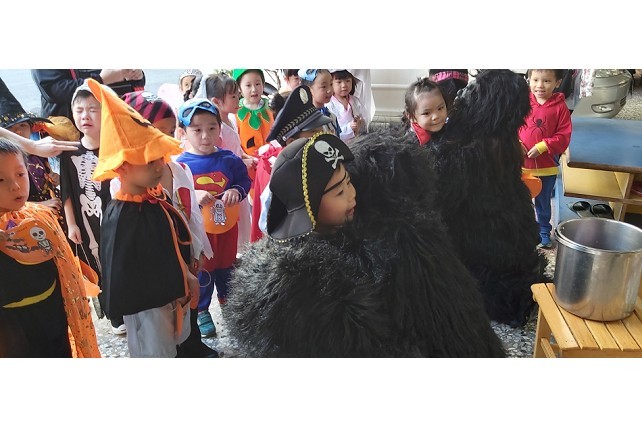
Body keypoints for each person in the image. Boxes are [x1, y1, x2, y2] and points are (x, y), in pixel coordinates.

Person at [225, 132, 505, 357]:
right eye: (338, 192)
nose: (351, 195)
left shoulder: (367, 237)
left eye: (349, 182)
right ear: (305, 208)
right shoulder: (307, 279)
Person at [84, 78, 199, 358]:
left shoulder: (155, 197)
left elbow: (170, 244)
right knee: (153, 352)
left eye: (159, 157)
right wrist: (173, 285)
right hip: (147, 305)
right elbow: (123, 271)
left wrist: (184, 276)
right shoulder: (121, 214)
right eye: (149, 160)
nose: (160, 166)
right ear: (121, 165)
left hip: (171, 298)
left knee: (169, 347)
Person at [117, 91, 218, 357]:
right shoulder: (125, 184)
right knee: (160, 327)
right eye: (155, 132)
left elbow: (192, 215)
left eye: (169, 132)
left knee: (188, 304)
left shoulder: (180, 170)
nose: (164, 140)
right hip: (155, 272)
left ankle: (191, 345)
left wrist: (199, 249)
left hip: (184, 253)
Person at [0, 137, 100, 357]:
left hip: (54, 315)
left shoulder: (39, 217)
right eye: (0, 179)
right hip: (12, 329)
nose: (15, 185)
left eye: (20, 174)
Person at [176, 98, 251, 338]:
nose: (205, 136)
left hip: (227, 228)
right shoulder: (180, 165)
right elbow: (175, 196)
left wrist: (236, 191)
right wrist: (193, 194)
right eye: (197, 130)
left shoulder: (230, 159)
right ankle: (202, 310)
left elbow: (244, 181)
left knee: (227, 267)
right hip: (200, 234)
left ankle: (230, 303)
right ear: (183, 132)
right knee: (203, 270)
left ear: (220, 129)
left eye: (211, 128)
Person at [60, 83, 123, 333]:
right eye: (79, 110)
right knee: (96, 264)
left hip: (115, 217)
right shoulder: (69, 152)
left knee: (118, 259)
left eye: (93, 110)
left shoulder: (114, 148)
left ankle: (126, 305)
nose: (85, 116)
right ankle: (113, 314)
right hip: (87, 221)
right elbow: (66, 191)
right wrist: (71, 224)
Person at [250, 85, 332, 242]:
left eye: (322, 130)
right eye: (314, 132)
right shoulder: (275, 172)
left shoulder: (319, 162)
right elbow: (271, 226)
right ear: (291, 142)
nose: (322, 136)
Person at [519, 69, 572, 249]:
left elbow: (564, 136)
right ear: (528, 80)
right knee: (522, 201)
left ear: (558, 82)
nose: (540, 86)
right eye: (535, 80)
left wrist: (543, 146)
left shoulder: (560, 108)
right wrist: (516, 143)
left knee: (543, 204)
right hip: (521, 167)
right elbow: (511, 126)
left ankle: (543, 233)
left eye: (547, 81)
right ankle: (523, 232)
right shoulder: (522, 103)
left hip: (546, 168)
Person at [203, 73, 255, 250]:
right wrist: (241, 163)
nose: (238, 99)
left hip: (238, 178)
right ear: (216, 101)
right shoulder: (218, 131)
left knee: (244, 221)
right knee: (234, 224)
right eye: (233, 97)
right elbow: (219, 159)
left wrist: (246, 157)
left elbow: (236, 149)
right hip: (228, 184)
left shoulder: (232, 119)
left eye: (237, 95)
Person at [0, 79, 63, 224]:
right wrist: (38, 206)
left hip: (54, 211)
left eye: (22, 126)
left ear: (31, 127)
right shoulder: (6, 163)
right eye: (10, 129)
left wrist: (54, 178)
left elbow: (46, 178)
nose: (18, 132)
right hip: (26, 220)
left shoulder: (39, 152)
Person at [31, 69, 145, 121]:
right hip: (74, 134)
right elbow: (55, 89)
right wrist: (100, 80)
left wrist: (137, 75)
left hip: (120, 122)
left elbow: (129, 79)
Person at [232, 69, 274, 157]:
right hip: (250, 162)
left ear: (263, 84)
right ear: (239, 88)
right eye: (248, 85)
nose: (254, 89)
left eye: (257, 84)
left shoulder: (272, 107)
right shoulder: (234, 113)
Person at [402, 77, 448, 146]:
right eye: (426, 113)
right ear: (412, 117)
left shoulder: (449, 124)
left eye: (440, 108)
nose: (436, 116)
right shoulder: (413, 141)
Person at [326, 69, 366, 142]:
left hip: (357, 140)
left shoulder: (356, 101)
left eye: (348, 81)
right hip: (338, 143)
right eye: (339, 82)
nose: (344, 85)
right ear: (331, 84)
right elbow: (331, 129)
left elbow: (363, 118)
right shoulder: (329, 104)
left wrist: (360, 123)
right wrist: (349, 127)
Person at [299, 69, 340, 137]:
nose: (329, 90)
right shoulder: (307, 120)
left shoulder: (331, 115)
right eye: (324, 87)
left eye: (331, 84)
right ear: (309, 90)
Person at [0, 127, 80, 158]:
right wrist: (33, 147)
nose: (18, 131)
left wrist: (33, 146)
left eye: (23, 125)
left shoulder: (40, 154)